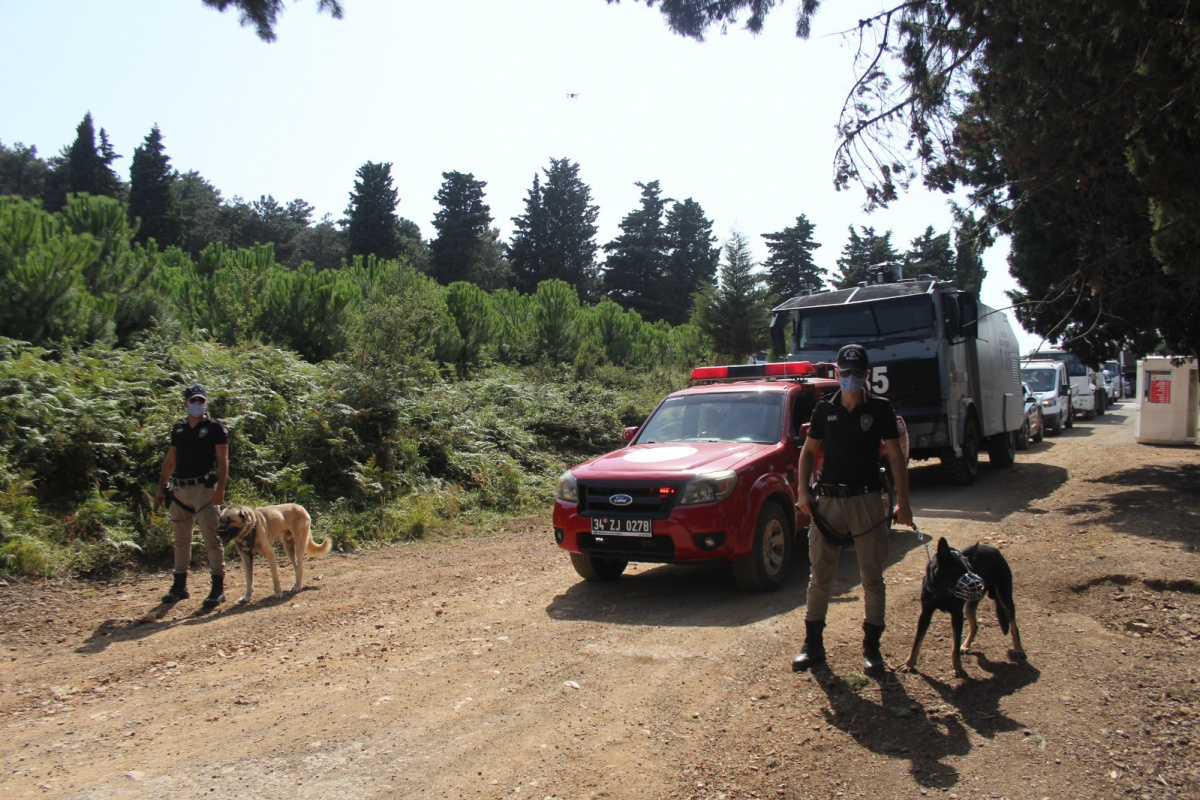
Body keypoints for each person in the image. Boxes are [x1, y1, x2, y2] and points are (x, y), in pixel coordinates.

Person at [792, 344, 912, 673]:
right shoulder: (823, 410)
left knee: (872, 577)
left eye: (857, 373)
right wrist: (803, 491)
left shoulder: (881, 409)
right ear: (837, 373)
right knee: (819, 578)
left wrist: (904, 502)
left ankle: (872, 649)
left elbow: (896, 455)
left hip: (867, 501)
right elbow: (807, 452)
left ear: (867, 375)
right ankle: (812, 645)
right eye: (845, 373)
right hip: (828, 502)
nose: (850, 379)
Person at [154, 383, 229, 607]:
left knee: (212, 539)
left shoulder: (215, 428)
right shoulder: (179, 428)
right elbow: (170, 459)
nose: (197, 404)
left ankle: (217, 588)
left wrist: (220, 489)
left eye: (201, 400)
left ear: (206, 403)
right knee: (181, 541)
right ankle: (179, 586)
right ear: (185, 403)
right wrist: (161, 486)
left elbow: (223, 460)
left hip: (203, 490)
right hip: (180, 490)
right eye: (193, 400)